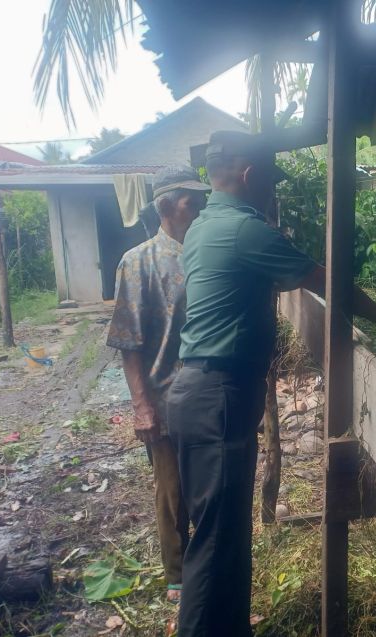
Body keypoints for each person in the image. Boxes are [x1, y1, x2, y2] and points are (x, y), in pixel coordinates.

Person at [167, 130, 376, 636]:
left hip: (206, 393)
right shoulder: (246, 231)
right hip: (216, 395)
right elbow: (330, 282)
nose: (271, 193)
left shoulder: (202, 227)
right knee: (214, 547)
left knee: (228, 536)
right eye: (268, 182)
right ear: (250, 176)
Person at [107, 165, 211, 605]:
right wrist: (141, 406)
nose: (200, 204)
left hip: (208, 396)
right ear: (167, 206)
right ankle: (177, 575)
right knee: (172, 491)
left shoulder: (210, 253)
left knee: (208, 487)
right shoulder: (138, 261)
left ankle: (205, 570)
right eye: (190, 198)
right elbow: (129, 341)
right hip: (165, 398)